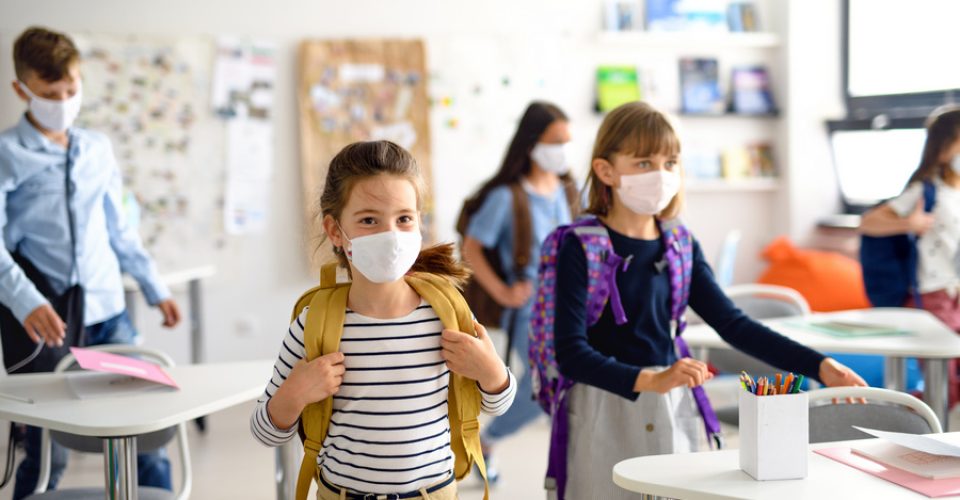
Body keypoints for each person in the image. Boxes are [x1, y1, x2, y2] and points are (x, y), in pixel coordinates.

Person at [553, 102, 866, 499]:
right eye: (645, 162)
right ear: (606, 170)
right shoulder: (579, 246)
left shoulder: (678, 242)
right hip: (605, 406)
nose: (662, 175)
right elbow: (570, 353)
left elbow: (734, 323)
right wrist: (651, 379)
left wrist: (820, 365)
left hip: (670, 401)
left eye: (671, 162)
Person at [250, 140, 517, 499]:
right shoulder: (314, 325)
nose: (390, 235)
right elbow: (265, 432)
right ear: (334, 231)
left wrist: (491, 372)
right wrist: (294, 395)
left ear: (420, 223)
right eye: (369, 220)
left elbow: (498, 403)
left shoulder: (448, 314)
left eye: (404, 218)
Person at [0, 27, 182, 499]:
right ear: (22, 90)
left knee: (146, 438)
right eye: (49, 93)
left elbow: (119, 229)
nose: (62, 101)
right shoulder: (6, 154)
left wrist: (153, 285)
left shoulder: (96, 148)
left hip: (109, 315)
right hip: (48, 319)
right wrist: (25, 301)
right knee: (48, 455)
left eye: (70, 91)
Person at [460, 101, 578, 479]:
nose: (562, 149)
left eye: (567, 141)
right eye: (555, 141)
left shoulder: (568, 190)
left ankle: (491, 439)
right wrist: (502, 292)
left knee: (560, 382)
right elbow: (471, 247)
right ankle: (489, 437)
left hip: (571, 307)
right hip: (530, 311)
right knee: (552, 382)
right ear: (531, 143)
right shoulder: (506, 197)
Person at [860, 107, 960, 328]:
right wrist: (909, 224)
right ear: (944, 149)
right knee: (942, 360)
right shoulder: (925, 190)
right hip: (934, 292)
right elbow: (867, 223)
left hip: (956, 293)